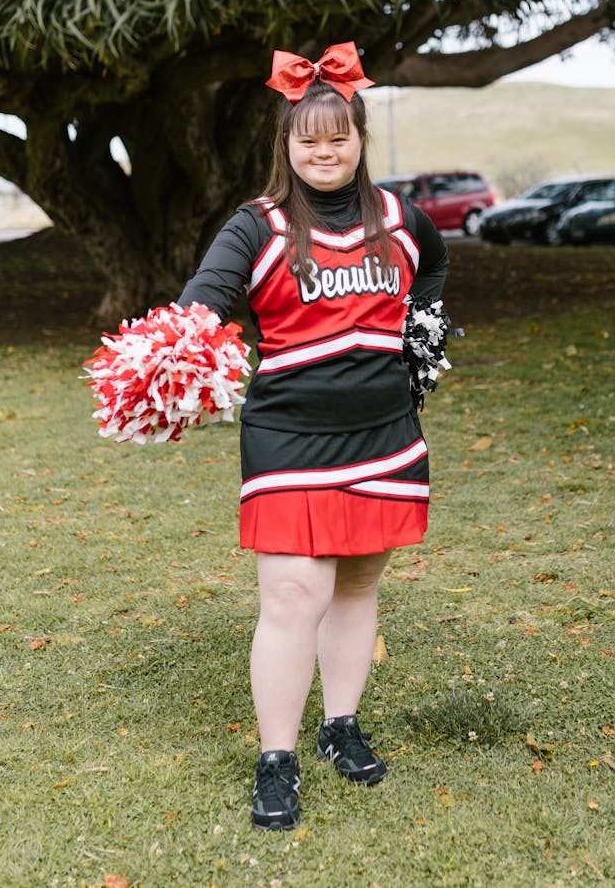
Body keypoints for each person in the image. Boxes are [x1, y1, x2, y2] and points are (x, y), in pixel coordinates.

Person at [177, 42, 448, 830]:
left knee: (358, 586)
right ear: (287, 146)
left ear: (360, 138)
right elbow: (204, 303)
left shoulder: (401, 220)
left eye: (339, 136)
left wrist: (421, 344)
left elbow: (430, 270)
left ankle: (341, 726)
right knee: (295, 595)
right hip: (288, 440)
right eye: (309, 139)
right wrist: (174, 358)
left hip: (384, 437)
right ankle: (277, 758)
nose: (325, 151)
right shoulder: (254, 227)